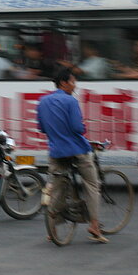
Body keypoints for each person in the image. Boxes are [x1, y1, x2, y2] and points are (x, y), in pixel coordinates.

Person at [37, 68, 107, 243]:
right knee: (92, 184)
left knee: (58, 186)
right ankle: (95, 225)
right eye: (73, 81)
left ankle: (52, 228)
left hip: (56, 151)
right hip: (77, 150)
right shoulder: (70, 101)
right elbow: (77, 128)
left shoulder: (43, 101)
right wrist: (82, 129)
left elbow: (42, 128)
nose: (75, 85)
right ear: (64, 83)